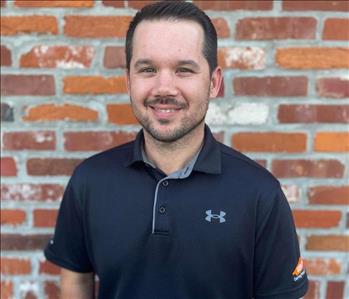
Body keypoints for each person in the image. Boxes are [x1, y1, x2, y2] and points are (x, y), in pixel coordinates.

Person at [44, 1, 308, 298]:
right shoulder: (89, 181)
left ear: (214, 82)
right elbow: (77, 280)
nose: (164, 87)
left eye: (183, 70)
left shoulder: (260, 194)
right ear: (128, 81)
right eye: (148, 69)